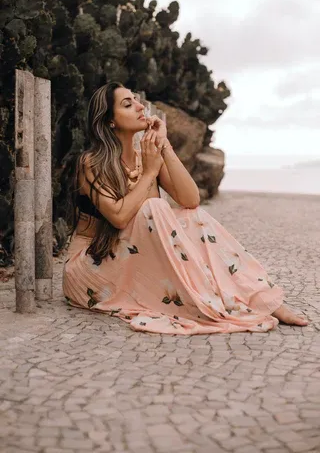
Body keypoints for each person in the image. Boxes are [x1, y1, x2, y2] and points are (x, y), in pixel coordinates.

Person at [63, 81, 309, 335]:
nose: (139, 106)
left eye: (136, 100)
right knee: (156, 208)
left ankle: (259, 298)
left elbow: (191, 200)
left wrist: (164, 144)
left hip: (127, 259)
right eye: (127, 104)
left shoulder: (145, 155)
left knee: (192, 217)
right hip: (92, 268)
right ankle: (215, 299)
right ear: (110, 121)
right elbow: (119, 217)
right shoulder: (91, 162)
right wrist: (150, 171)